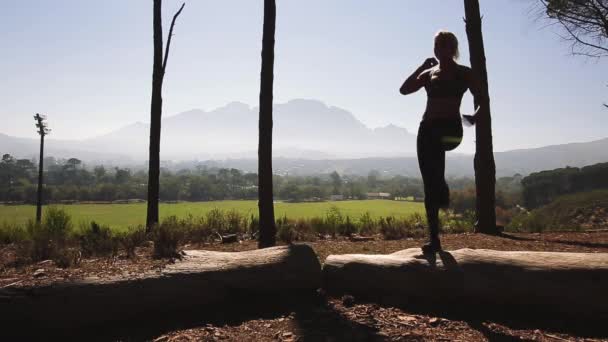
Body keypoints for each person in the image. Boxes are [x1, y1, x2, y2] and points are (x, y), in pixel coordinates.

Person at [399, 30, 481, 254]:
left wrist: (475, 115)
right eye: (436, 45)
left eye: (444, 45)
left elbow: (482, 98)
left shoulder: (465, 73)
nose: (439, 49)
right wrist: (421, 66)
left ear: (453, 49)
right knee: (429, 185)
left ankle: (440, 182)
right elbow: (404, 90)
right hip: (427, 130)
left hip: (451, 131)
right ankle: (434, 239)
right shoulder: (429, 72)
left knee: (434, 177)